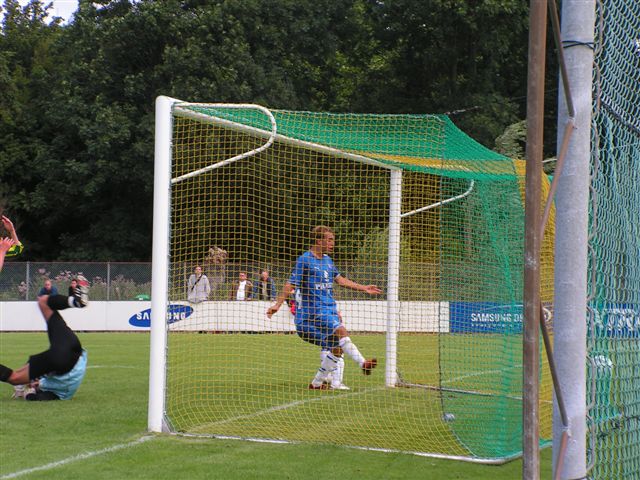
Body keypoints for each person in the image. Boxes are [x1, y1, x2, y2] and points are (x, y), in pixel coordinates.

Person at [267, 225, 382, 390]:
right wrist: (277, 305)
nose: (332, 243)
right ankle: (363, 363)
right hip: (311, 315)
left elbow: (341, 280)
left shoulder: (328, 261)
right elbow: (290, 284)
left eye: (332, 240)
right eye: (329, 240)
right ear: (318, 240)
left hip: (327, 310)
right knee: (341, 332)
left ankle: (317, 383)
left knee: (336, 349)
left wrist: (363, 287)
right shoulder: (305, 260)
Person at [2, 276, 90, 401]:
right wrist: (30, 390)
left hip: (73, 350)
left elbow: (31, 391)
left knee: (15, 378)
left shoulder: (54, 387)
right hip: (67, 354)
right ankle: (75, 301)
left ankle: (74, 301)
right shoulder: (59, 391)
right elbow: (34, 392)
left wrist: (29, 390)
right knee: (16, 378)